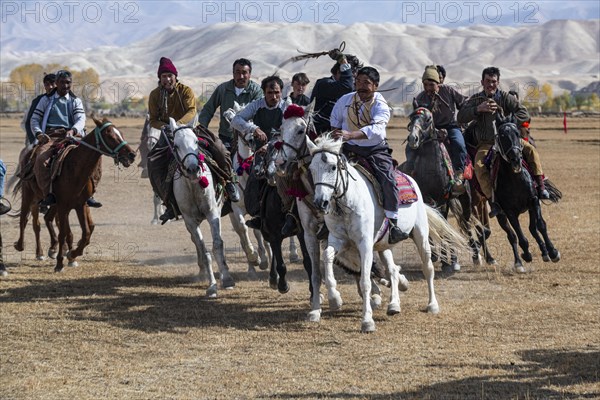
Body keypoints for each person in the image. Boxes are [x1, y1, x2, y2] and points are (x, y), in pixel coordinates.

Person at [147, 57, 239, 223]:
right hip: (168, 133)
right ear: (159, 79)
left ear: (175, 76)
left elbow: (191, 110)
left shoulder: (186, 91)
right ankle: (169, 202)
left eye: (170, 75)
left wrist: (179, 125)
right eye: (163, 76)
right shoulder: (154, 95)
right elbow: (153, 119)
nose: (167, 79)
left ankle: (230, 182)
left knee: (219, 148)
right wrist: (168, 127)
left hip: (190, 129)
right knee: (153, 162)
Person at [457, 66, 549, 218]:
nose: (491, 84)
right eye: (488, 81)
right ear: (482, 82)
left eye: (493, 81)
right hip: (487, 144)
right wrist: (478, 109)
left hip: (508, 141)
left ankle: (541, 187)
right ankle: (494, 202)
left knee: (531, 150)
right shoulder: (476, 100)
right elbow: (460, 117)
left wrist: (507, 118)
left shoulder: (505, 98)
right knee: (479, 166)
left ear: (498, 82)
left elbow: (523, 113)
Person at [330, 66, 408, 244]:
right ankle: (325, 220)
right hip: (348, 149)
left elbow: (377, 130)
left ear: (376, 86)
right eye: (358, 82)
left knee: (388, 179)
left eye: (366, 83)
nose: (361, 86)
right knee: (326, 174)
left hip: (374, 150)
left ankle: (393, 224)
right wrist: (337, 134)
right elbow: (335, 120)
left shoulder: (380, 105)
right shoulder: (345, 100)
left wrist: (350, 134)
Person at [231, 75, 300, 236]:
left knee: (296, 176)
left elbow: (288, 131)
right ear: (264, 92)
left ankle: (295, 214)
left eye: (277, 92)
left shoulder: (286, 107)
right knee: (256, 174)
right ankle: (258, 214)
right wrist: (253, 128)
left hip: (284, 149)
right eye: (270, 93)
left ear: (281, 92)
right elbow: (236, 120)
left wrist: (270, 145)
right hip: (261, 151)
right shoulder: (257, 105)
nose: (274, 96)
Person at [30, 69, 102, 212]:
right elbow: (35, 119)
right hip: (51, 136)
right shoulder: (45, 100)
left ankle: (89, 194)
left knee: (95, 155)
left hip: (73, 135)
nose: (65, 86)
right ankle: (48, 194)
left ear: (71, 84)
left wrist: (73, 130)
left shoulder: (75, 100)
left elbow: (81, 119)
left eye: (68, 83)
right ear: (56, 83)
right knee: (41, 159)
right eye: (62, 82)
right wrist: (39, 133)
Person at [407, 65, 468, 193]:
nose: (428, 88)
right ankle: (410, 171)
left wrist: (464, 118)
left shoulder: (448, 91)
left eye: (431, 85)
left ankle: (458, 173)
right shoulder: (420, 98)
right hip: (428, 131)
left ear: (438, 83)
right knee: (410, 145)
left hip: (451, 126)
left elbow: (464, 104)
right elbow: (418, 119)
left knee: (459, 144)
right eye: (425, 85)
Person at [197, 58, 263, 151]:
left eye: (244, 73)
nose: (241, 76)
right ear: (233, 73)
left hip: (249, 137)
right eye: (237, 72)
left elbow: (260, 114)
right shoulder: (223, 89)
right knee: (221, 157)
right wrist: (201, 130)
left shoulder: (256, 91)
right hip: (226, 137)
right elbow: (208, 109)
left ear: (249, 74)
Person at [309, 50, 360, 134]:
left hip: (341, 136)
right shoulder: (323, 84)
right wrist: (343, 61)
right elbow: (346, 86)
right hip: (319, 135)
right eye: (351, 77)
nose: (353, 81)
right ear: (338, 72)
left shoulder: (350, 93)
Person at [22, 73, 56, 146]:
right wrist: (34, 140)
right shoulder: (38, 101)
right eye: (47, 84)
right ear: (44, 86)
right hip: (39, 138)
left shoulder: (67, 100)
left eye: (53, 84)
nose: (50, 87)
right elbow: (28, 122)